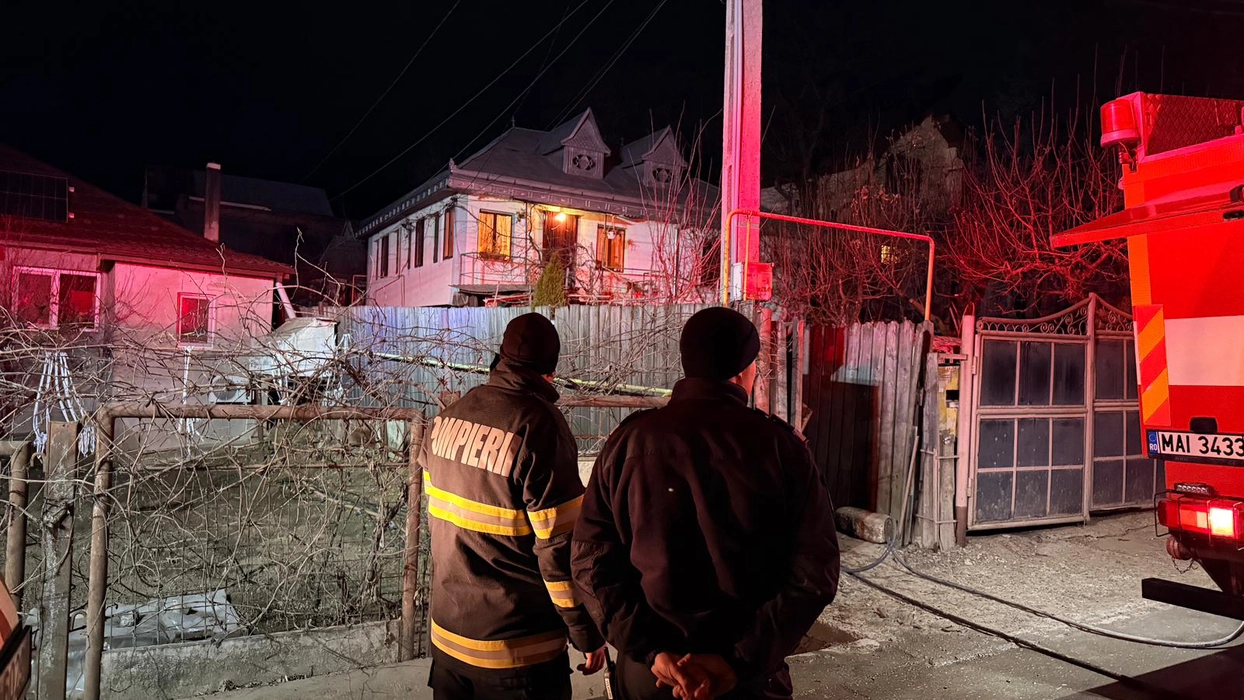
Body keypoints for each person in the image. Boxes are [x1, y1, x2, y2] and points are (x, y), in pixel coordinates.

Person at [571, 307, 841, 700]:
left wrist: (650, 649)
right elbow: (814, 574)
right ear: (743, 371)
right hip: (747, 681)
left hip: (652, 677)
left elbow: (591, 560)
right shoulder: (781, 449)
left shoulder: (628, 443)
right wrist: (738, 660)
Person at [421, 313, 606, 700]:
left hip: (448, 644)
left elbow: (438, 524)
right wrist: (585, 631)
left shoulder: (448, 418)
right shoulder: (539, 427)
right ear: (550, 373)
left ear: (501, 357)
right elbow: (558, 549)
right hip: (518, 655)